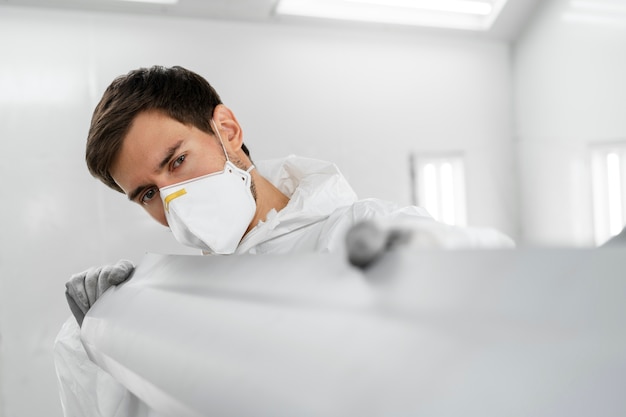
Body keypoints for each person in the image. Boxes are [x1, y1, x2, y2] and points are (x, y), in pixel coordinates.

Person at [54, 65, 514, 417]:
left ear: (227, 131)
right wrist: (101, 332)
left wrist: (426, 272)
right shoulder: (181, 297)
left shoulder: (356, 232)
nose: (173, 201)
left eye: (176, 161)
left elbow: (498, 288)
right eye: (148, 194)